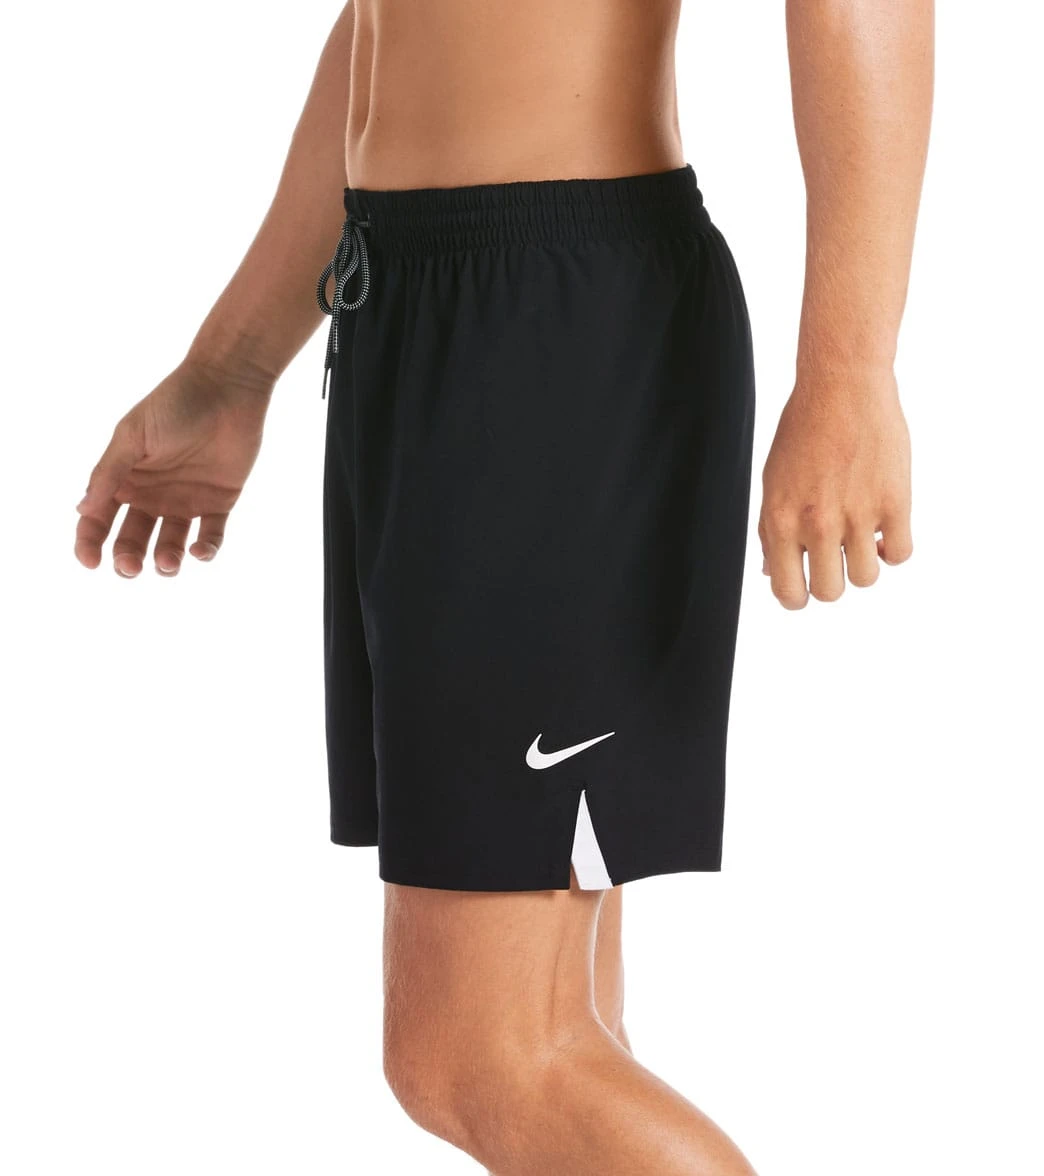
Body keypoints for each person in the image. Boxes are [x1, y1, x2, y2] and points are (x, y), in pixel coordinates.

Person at [72, 0, 932, 1171]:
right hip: (404, 297)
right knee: (549, 1042)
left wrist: (850, 369)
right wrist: (230, 369)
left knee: (484, 1056)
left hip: (556, 320)